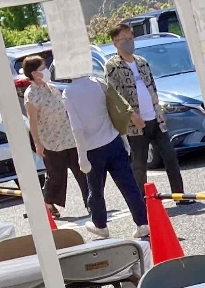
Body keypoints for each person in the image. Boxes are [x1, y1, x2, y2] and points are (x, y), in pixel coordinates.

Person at [58, 69, 148, 240]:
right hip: (113, 141)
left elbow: (76, 127)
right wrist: (124, 139)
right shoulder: (99, 82)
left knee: (96, 190)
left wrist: (81, 155)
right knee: (129, 185)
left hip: (92, 149)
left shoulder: (68, 93)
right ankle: (142, 223)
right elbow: (114, 112)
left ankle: (100, 225)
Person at [103, 22, 184, 199]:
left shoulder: (142, 62)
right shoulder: (112, 66)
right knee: (139, 163)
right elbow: (113, 94)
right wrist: (131, 115)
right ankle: (141, 201)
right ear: (115, 43)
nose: (129, 42)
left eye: (130, 38)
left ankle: (179, 195)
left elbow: (152, 88)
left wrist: (159, 111)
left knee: (170, 156)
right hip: (136, 124)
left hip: (155, 118)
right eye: (124, 40)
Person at [21, 56, 88, 219]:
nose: (46, 70)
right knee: (56, 175)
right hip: (50, 141)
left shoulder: (51, 87)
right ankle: (48, 201)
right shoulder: (31, 95)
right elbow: (32, 121)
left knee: (82, 171)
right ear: (34, 73)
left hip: (69, 136)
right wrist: (37, 143)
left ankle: (91, 203)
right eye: (43, 68)